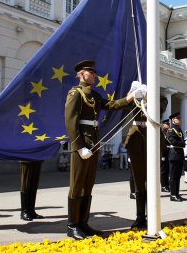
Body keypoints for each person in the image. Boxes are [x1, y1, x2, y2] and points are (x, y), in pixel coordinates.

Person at [65, 60, 140, 239]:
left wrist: (129, 98)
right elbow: (71, 121)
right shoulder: (75, 93)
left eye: (94, 73)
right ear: (82, 74)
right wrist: (79, 146)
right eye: (92, 73)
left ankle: (83, 223)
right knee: (77, 185)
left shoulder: (94, 95)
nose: (95, 76)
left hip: (93, 144)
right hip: (82, 144)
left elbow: (110, 105)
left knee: (87, 185)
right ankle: (72, 225)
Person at [124, 96, 168, 229]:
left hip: (153, 138)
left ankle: (153, 215)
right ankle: (140, 216)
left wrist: (147, 98)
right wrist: (130, 97)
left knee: (152, 181)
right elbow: (123, 106)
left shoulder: (160, 97)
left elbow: (160, 108)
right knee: (139, 181)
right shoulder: (135, 98)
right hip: (136, 140)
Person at [166, 112, 185, 202]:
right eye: (178, 118)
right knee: (173, 176)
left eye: (179, 118)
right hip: (174, 154)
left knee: (178, 176)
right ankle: (173, 195)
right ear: (173, 119)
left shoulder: (179, 129)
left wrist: (183, 143)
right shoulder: (170, 130)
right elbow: (172, 141)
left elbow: (181, 142)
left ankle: (177, 194)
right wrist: (183, 144)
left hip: (179, 154)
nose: (179, 119)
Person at [160, 119, 170, 193]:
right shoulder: (162, 133)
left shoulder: (168, 132)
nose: (168, 125)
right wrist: (162, 155)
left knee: (167, 171)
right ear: (163, 125)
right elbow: (161, 145)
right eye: (167, 124)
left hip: (168, 153)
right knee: (163, 171)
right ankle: (163, 186)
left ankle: (167, 185)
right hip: (163, 153)